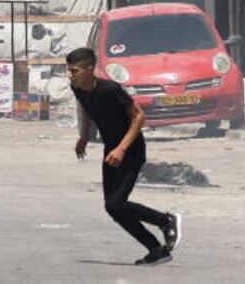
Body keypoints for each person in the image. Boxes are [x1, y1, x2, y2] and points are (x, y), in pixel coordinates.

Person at [67, 47, 181, 267]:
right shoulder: (77, 88)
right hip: (110, 150)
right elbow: (87, 108)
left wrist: (121, 149)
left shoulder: (110, 89)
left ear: (89, 69)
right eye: (69, 71)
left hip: (131, 150)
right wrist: (83, 136)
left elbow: (139, 117)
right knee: (112, 207)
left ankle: (166, 221)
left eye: (74, 70)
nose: (71, 75)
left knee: (117, 203)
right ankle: (156, 249)